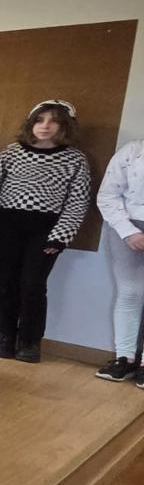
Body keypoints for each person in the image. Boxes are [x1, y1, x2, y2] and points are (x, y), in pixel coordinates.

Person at [0, 100, 93, 363]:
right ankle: (4, 336)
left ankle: (29, 341)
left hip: (46, 230)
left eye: (54, 121)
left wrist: (61, 236)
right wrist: (11, 202)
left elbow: (78, 202)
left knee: (32, 285)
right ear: (31, 123)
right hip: (7, 225)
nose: (45, 126)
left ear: (65, 126)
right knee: (5, 282)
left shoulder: (75, 159)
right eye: (40, 120)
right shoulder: (11, 153)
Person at [95, 138, 144, 382]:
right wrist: (129, 232)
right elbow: (108, 195)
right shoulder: (133, 151)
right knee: (129, 293)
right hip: (126, 227)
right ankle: (125, 358)